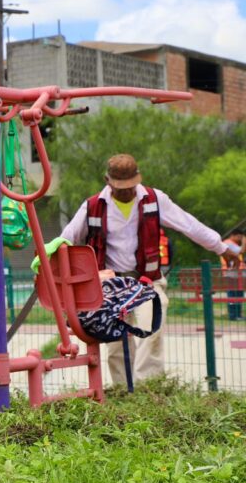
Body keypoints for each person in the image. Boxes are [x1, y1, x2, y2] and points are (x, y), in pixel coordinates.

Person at [60, 153, 240, 383]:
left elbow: (188, 224)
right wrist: (50, 265)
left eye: (131, 185)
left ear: (138, 178)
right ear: (108, 181)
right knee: (116, 343)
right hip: (110, 286)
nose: (127, 191)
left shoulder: (154, 200)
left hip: (147, 281)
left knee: (152, 326)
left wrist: (220, 247)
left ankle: (148, 386)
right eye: (121, 187)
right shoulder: (93, 206)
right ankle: (124, 390)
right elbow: (66, 239)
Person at [220, 232, 244, 321]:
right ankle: (233, 315)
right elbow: (241, 251)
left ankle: (238, 315)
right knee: (233, 295)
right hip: (231, 273)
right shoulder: (228, 243)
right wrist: (244, 241)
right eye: (239, 236)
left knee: (238, 295)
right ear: (232, 235)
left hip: (237, 273)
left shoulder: (233, 244)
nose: (240, 238)